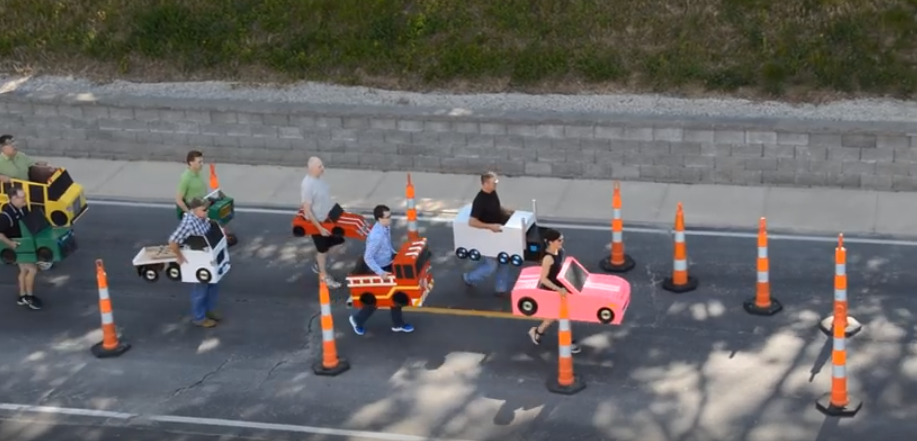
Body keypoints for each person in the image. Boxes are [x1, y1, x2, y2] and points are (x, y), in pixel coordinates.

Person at [347, 205, 414, 335]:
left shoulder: (385, 227)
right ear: (379, 218)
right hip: (379, 268)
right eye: (387, 217)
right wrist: (381, 273)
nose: (390, 219)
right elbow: (368, 257)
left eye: (390, 215)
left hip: (388, 263)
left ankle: (398, 324)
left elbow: (387, 246)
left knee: (395, 294)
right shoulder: (376, 236)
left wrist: (395, 255)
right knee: (377, 299)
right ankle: (357, 320)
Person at [168, 198, 222, 328]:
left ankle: (209, 310)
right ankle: (199, 318)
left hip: (207, 258)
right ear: (194, 210)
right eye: (204, 210)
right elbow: (172, 241)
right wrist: (179, 256)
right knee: (200, 289)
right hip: (198, 262)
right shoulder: (188, 224)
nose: (207, 212)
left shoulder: (202, 218)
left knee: (212, 285)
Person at [526, 228, 581, 353]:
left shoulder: (560, 251)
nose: (562, 241)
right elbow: (544, 279)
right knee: (563, 315)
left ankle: (537, 332)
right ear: (550, 242)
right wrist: (558, 289)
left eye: (562, 239)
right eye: (559, 240)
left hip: (562, 287)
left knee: (555, 315)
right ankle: (567, 343)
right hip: (553, 289)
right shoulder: (548, 259)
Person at [461, 171, 515, 296]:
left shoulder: (493, 193)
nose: (496, 184)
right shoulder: (479, 200)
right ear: (485, 183)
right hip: (487, 236)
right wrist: (490, 226)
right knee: (491, 265)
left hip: (498, 233)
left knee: (504, 260)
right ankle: (469, 278)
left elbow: (495, 208)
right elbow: (472, 222)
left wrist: (508, 212)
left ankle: (500, 289)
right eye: (493, 182)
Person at [300, 156, 346, 289]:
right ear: (312, 168)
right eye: (320, 166)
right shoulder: (307, 185)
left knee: (339, 243)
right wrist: (319, 228)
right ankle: (324, 276)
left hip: (327, 218)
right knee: (322, 250)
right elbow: (307, 210)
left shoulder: (319, 179)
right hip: (317, 223)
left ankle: (318, 263)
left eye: (322, 165)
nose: (323, 168)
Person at [176, 150, 237, 246]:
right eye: (199, 162)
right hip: (195, 207)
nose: (202, 164)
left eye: (202, 161)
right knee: (214, 217)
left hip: (204, 201)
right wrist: (189, 213)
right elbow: (178, 200)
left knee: (223, 206)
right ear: (191, 163)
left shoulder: (198, 173)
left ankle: (222, 235)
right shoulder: (186, 178)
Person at [0, 187, 42, 310]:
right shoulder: (5, 216)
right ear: (13, 198)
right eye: (22, 197)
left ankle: (22, 296)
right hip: (18, 247)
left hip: (24, 244)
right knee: (32, 269)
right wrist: (10, 244)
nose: (25, 199)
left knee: (24, 271)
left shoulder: (22, 208)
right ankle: (29, 297)